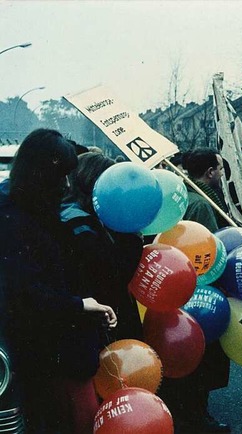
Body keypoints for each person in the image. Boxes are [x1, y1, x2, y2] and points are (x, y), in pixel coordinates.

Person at [0, 129, 118, 433]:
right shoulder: (14, 220)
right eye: (61, 175)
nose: (66, 185)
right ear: (42, 173)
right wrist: (79, 306)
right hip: (41, 356)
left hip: (57, 350)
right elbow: (24, 292)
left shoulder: (38, 214)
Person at [161, 147, 232, 433]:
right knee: (201, 357)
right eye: (220, 169)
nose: (222, 175)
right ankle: (198, 417)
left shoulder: (185, 199)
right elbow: (213, 250)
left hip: (181, 287)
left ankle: (188, 413)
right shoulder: (203, 205)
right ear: (210, 172)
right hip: (200, 289)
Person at [61, 152, 144, 343]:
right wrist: (132, 239)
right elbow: (111, 276)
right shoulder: (81, 224)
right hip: (93, 323)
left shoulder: (65, 213)